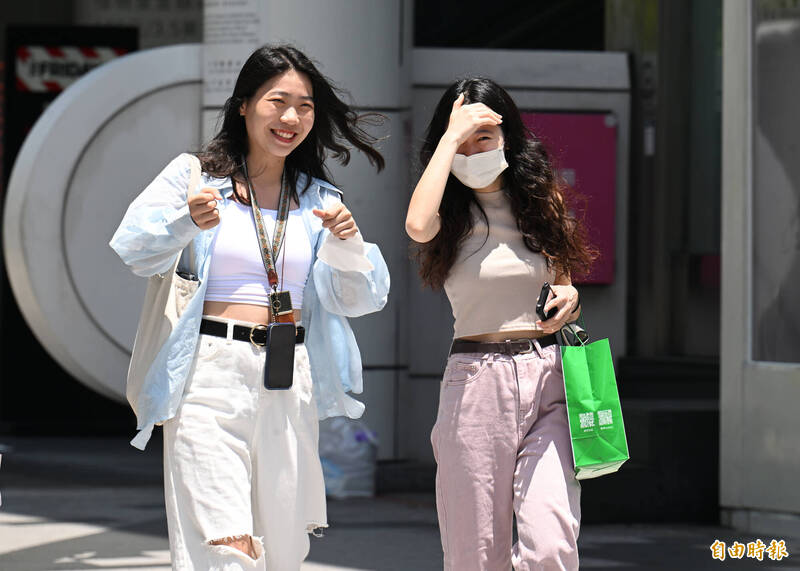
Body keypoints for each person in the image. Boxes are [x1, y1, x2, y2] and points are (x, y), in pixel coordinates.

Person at [110, 44, 390, 571]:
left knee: (282, 550)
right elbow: (132, 249)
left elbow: (362, 299)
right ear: (244, 104)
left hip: (289, 378)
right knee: (226, 546)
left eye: (305, 106)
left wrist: (350, 247)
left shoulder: (318, 199)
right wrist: (186, 222)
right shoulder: (195, 177)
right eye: (277, 101)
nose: (291, 118)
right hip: (208, 374)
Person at [405, 78, 596, 570]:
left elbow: (563, 285)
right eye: (462, 139)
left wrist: (569, 298)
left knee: (552, 546)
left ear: (508, 135)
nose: (473, 149)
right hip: (476, 383)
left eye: (483, 136)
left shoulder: (540, 200)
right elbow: (417, 227)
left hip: (549, 379)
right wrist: (451, 138)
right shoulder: (446, 211)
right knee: (476, 557)